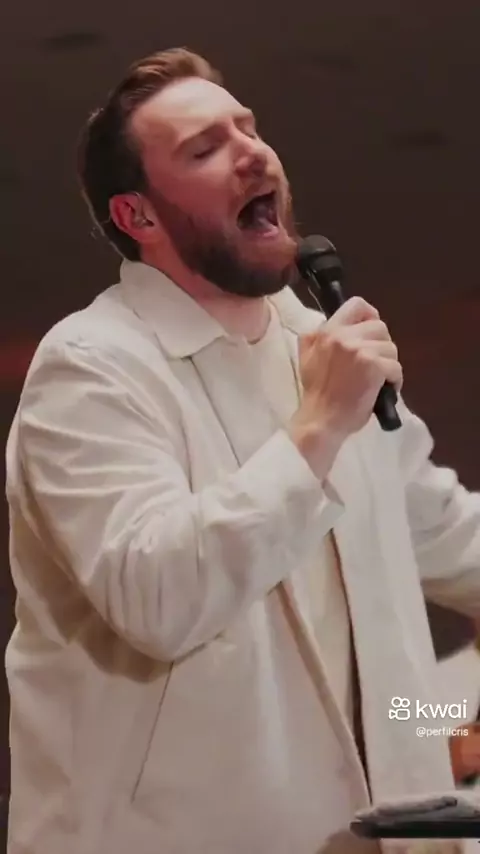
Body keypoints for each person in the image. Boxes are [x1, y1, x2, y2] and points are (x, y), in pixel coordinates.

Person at [4, 47, 480, 854]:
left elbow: (446, 533)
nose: (252, 152)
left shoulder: (317, 346)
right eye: (204, 149)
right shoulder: (91, 366)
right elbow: (157, 598)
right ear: (139, 217)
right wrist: (319, 426)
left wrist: (331, 409)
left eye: (247, 129)